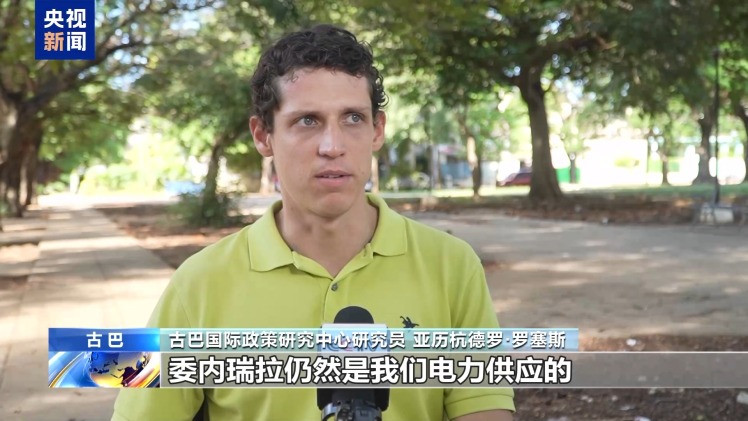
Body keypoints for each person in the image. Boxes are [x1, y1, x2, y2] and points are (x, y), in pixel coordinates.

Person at [111, 24, 515, 421]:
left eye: (352, 118)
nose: (333, 146)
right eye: (308, 120)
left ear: (377, 130)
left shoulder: (452, 266)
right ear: (263, 135)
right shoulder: (198, 283)